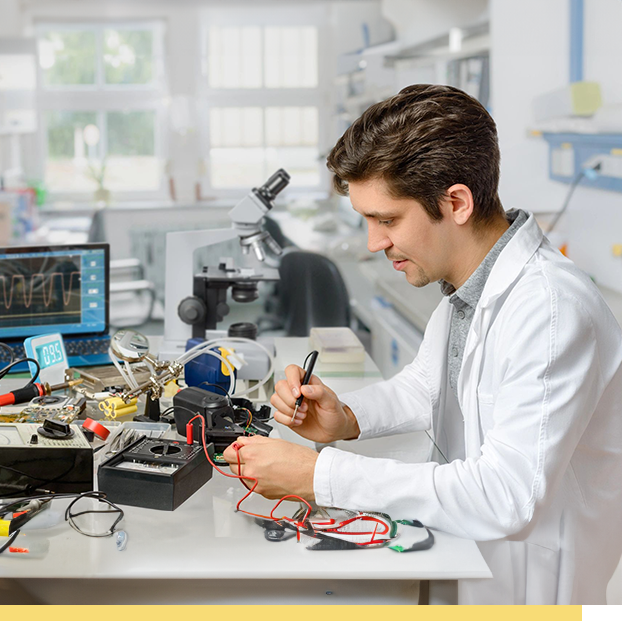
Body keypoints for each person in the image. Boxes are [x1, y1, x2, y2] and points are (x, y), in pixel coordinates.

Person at [222, 84, 622, 605]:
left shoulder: (549, 311)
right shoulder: (471, 284)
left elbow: (507, 497)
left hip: (534, 586)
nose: (373, 242)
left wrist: (321, 475)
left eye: (387, 220)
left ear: (455, 202)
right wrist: (347, 417)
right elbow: (425, 386)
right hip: (470, 554)